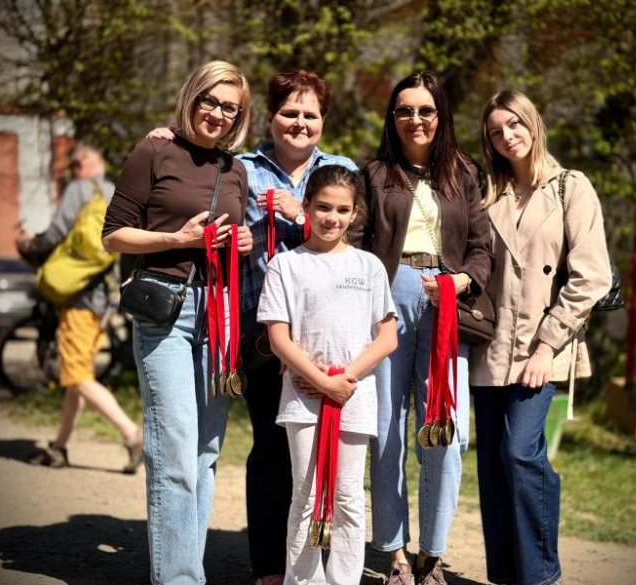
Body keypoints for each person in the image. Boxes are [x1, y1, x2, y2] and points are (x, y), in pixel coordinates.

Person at [147, 69, 358, 585]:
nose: (299, 123)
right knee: (270, 447)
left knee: (323, 450)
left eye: (310, 115)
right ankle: (269, 567)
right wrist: (168, 137)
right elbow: (200, 165)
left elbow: (362, 237)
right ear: (270, 117)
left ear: (323, 122)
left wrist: (302, 219)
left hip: (327, 335)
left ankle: (322, 560)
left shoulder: (342, 169)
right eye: (289, 113)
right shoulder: (241, 168)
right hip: (262, 335)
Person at [101, 60, 253, 585]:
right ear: (192, 96)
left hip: (222, 315)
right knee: (174, 447)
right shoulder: (154, 149)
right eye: (209, 100)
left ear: (239, 116)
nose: (216, 113)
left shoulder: (236, 170)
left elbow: (233, 232)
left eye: (228, 107)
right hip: (167, 311)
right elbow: (114, 236)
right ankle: (180, 580)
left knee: (205, 452)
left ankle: (186, 568)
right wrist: (176, 240)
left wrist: (243, 241)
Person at [351, 71, 492, 585]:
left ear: (441, 116)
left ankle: (433, 552)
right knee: (386, 430)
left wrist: (460, 282)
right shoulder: (373, 172)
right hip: (388, 295)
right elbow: (356, 237)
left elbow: (481, 247)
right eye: (405, 110)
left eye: (426, 110)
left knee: (446, 435)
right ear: (393, 117)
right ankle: (393, 552)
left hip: (447, 302)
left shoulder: (464, 173)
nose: (416, 119)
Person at [470, 90, 612, 585]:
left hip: (542, 350)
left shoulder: (571, 187)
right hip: (489, 350)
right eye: (495, 131)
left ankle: (541, 574)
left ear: (532, 123)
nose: (507, 136)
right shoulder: (488, 194)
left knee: (521, 454)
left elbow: (591, 276)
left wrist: (548, 346)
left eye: (514, 124)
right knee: (492, 465)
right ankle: (507, 575)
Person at [257, 165, 398, 584]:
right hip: (302, 399)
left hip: (354, 395)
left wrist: (343, 380)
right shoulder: (286, 266)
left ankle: (344, 579)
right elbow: (279, 339)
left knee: (349, 497)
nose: (331, 218)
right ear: (306, 207)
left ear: (354, 214)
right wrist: (319, 381)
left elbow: (386, 337)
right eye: (322, 208)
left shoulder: (369, 266)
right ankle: (304, 580)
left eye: (341, 210)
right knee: (305, 494)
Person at [17, 143, 142, 474]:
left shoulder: (80, 189)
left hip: (78, 296)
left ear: (87, 161)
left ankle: (132, 435)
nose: (73, 171)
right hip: (103, 295)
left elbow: (55, 233)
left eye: (75, 164)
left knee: (75, 375)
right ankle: (59, 447)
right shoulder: (115, 191)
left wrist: (29, 244)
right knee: (78, 374)